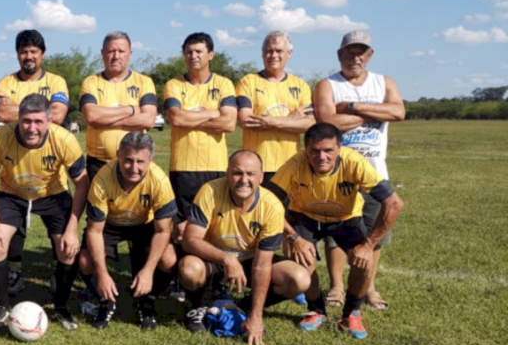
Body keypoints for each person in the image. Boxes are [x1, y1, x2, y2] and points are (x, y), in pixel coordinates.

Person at [266, 122, 404, 339]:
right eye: (315, 151)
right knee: (302, 262)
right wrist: (294, 237)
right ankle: (316, 310)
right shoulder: (295, 163)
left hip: (345, 218)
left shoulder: (355, 162)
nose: (322, 157)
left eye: (329, 150)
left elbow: (394, 203)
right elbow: (267, 202)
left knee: (364, 263)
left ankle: (351, 313)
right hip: (305, 216)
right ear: (305, 149)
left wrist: (368, 246)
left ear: (339, 148)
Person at [179, 150, 311, 345]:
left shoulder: (272, 206)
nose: (244, 180)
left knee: (299, 279)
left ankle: (246, 308)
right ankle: (199, 305)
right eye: (237, 173)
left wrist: (257, 317)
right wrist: (227, 259)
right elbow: (190, 240)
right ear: (227, 173)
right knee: (189, 269)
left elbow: (262, 265)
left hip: (251, 261)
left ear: (261, 177)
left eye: (250, 174)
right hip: (214, 258)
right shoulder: (209, 191)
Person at [0, 94, 89, 331]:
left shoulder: (65, 139)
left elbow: (82, 183)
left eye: (38, 122)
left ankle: (60, 307)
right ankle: (2, 306)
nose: (32, 128)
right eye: (26, 121)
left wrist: (72, 229)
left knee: (68, 250)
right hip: (12, 194)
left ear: (49, 122)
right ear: (18, 119)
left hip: (52, 195)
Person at [313, 31, 405, 311]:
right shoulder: (327, 85)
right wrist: (377, 111)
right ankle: (337, 287)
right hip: (338, 174)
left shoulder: (383, 82)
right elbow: (327, 121)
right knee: (335, 234)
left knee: (373, 235)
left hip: (374, 173)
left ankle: (369, 287)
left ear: (369, 55)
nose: (355, 57)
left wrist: (353, 108)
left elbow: (399, 112)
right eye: (349, 52)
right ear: (339, 54)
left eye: (361, 52)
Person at [0, 29, 71, 295]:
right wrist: (40, 111)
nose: (28, 56)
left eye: (33, 52)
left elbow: (59, 114)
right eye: (24, 51)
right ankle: (14, 272)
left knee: (59, 233)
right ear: (17, 55)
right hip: (15, 171)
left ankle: (55, 270)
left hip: (52, 178)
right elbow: (1, 112)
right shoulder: (6, 82)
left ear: (42, 54)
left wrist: (21, 111)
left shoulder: (57, 81)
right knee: (15, 230)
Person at [78, 131, 177, 330]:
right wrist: (103, 274)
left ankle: (146, 300)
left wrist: (148, 271)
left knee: (169, 259)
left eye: (141, 162)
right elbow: (95, 231)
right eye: (128, 160)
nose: (134, 168)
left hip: (144, 224)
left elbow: (163, 231)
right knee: (85, 261)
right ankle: (106, 300)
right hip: (111, 224)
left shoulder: (160, 181)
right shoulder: (102, 179)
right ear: (118, 155)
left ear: (151, 160)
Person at [162, 32, 238, 229]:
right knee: (182, 227)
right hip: (182, 166)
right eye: (188, 52)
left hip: (216, 165)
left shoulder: (224, 84)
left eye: (198, 51)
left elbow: (229, 123)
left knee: (215, 223)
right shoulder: (174, 84)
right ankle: (184, 260)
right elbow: (176, 118)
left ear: (210, 54)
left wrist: (190, 119)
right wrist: (213, 113)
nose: (193, 56)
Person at [235, 32, 315, 184]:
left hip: (291, 164)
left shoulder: (301, 85)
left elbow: (310, 124)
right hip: (256, 166)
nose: (273, 55)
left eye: (279, 51)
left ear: (289, 53)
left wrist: (269, 122)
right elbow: (246, 121)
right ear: (263, 54)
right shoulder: (248, 82)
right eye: (269, 51)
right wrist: (289, 120)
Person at [79, 31, 158, 178]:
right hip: (98, 163)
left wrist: (104, 120)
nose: (116, 56)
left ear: (129, 53)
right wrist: (130, 110)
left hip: (134, 162)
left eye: (121, 51)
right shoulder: (90, 82)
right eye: (111, 51)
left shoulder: (144, 82)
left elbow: (148, 120)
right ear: (102, 53)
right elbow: (91, 116)